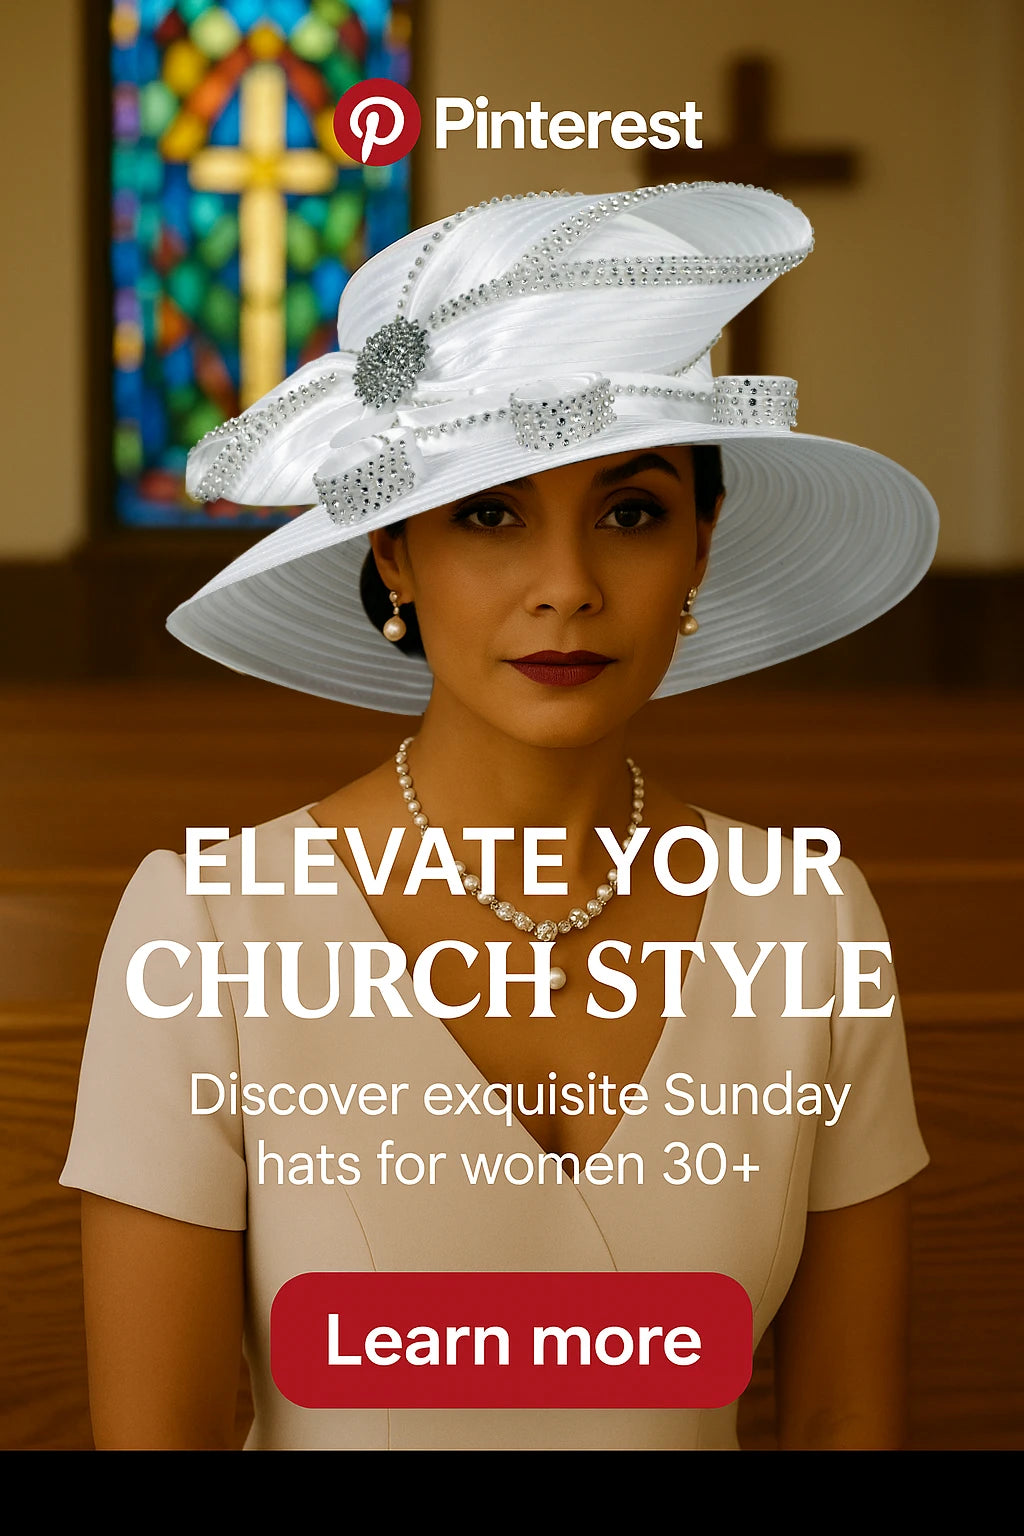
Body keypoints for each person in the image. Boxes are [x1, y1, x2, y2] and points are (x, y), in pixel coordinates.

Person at [61, 181, 936, 1451]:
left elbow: (848, 1416)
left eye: (630, 513)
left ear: (700, 547)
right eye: (489, 513)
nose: (566, 587)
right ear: (394, 553)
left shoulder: (811, 924)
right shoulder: (206, 930)